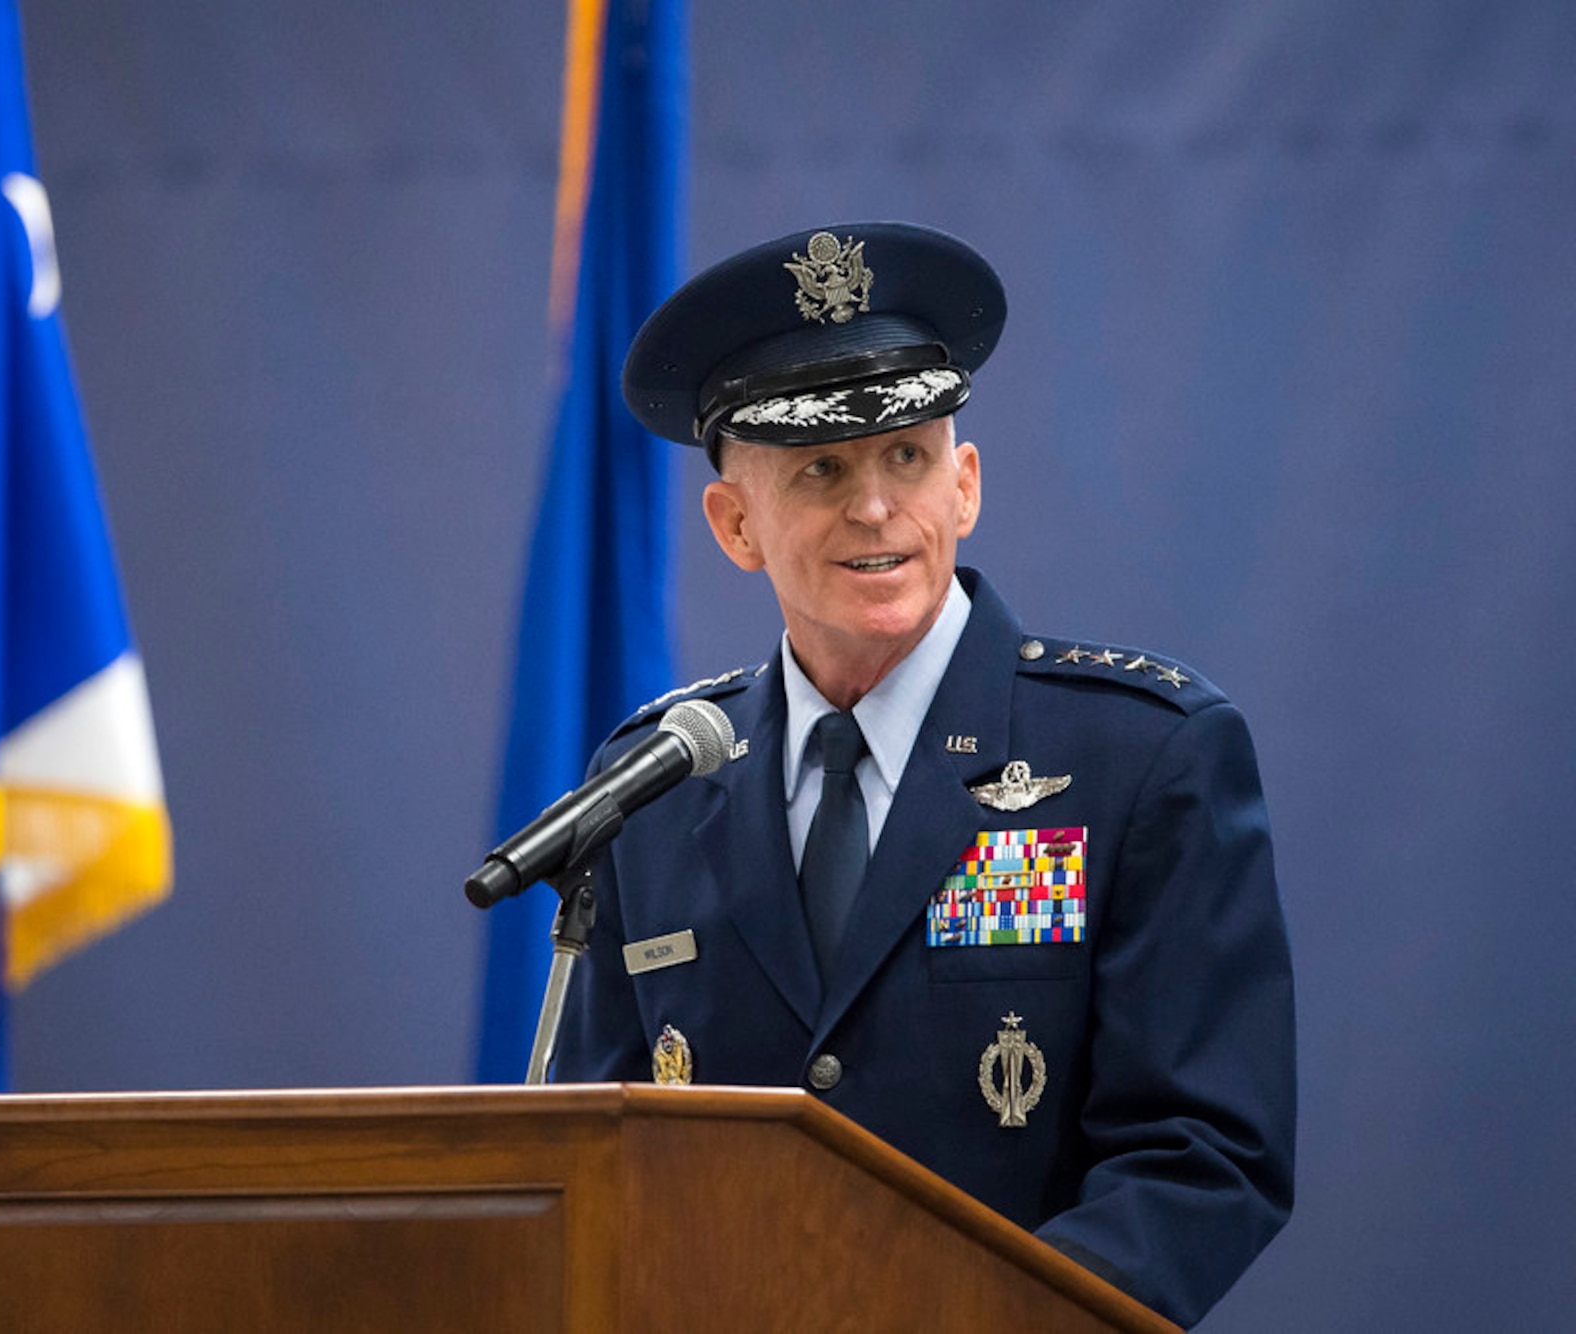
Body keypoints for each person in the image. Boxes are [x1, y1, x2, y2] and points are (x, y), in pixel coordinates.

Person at [552, 223, 1295, 1327]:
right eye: (819, 469)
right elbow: (591, 1148)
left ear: (965, 486)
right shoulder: (652, 784)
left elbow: (1201, 1152)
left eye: (906, 455)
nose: (872, 507)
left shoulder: (1140, 754)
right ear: (733, 523)